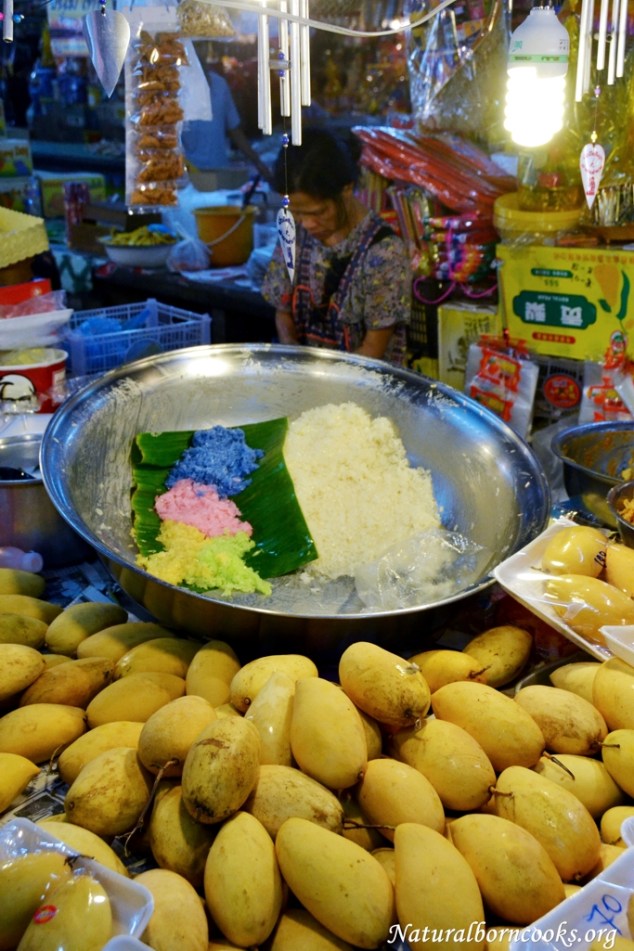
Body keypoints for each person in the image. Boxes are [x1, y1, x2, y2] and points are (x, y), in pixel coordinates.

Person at [261, 128, 411, 366]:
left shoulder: (383, 252)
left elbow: (373, 348)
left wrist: (326, 393)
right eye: (296, 213)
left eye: (318, 212)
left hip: (364, 390)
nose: (307, 223)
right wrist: (290, 349)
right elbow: (283, 310)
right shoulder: (295, 234)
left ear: (346, 190)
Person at [181, 46, 272, 185]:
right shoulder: (178, 90)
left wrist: (257, 161)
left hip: (219, 171)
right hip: (189, 177)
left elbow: (235, 130)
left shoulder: (220, 85)